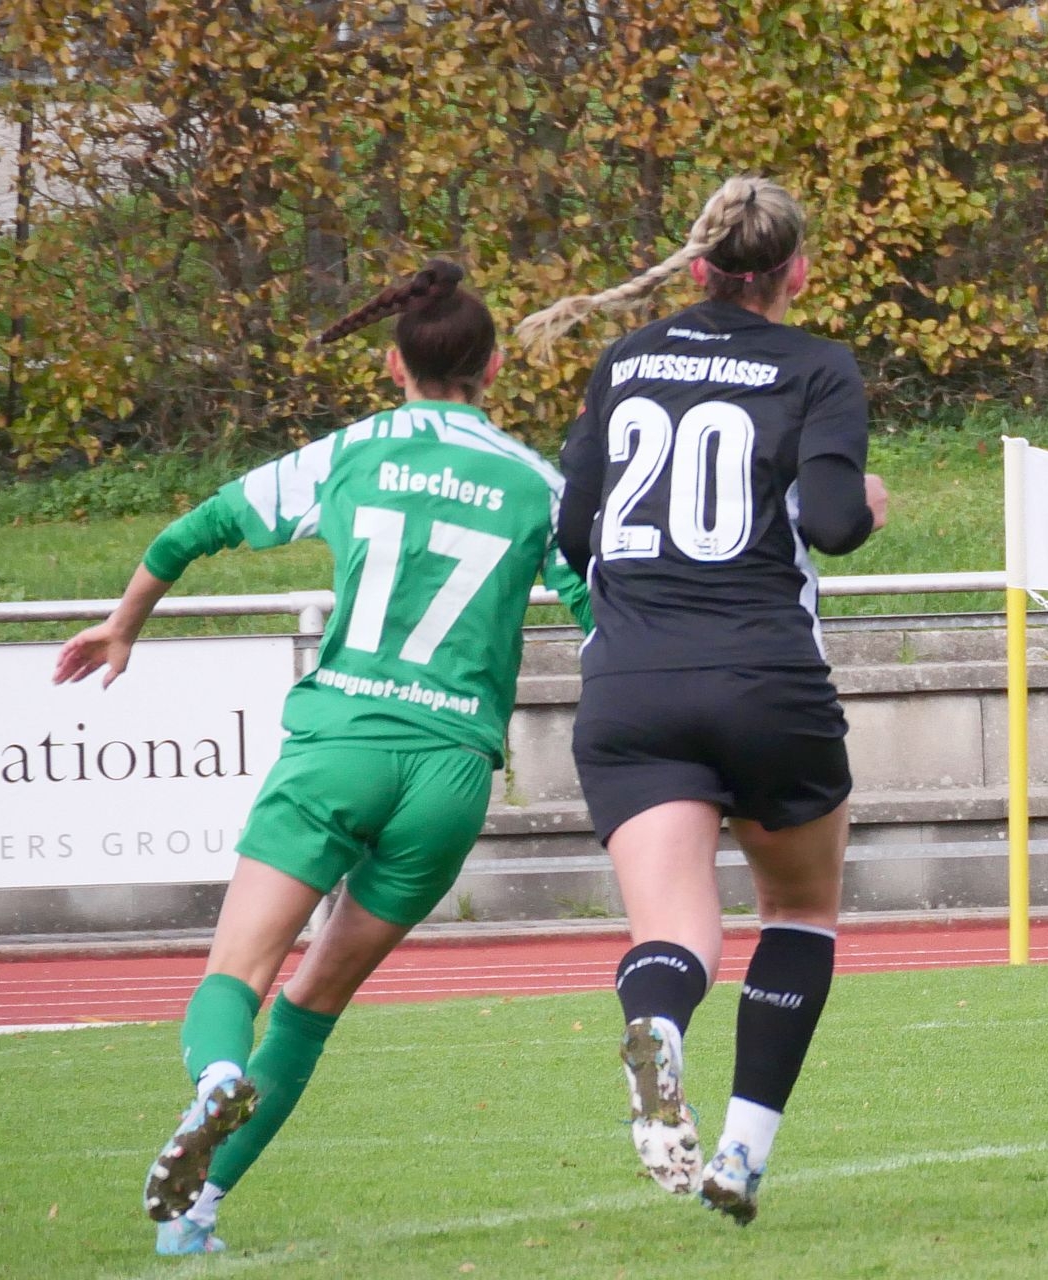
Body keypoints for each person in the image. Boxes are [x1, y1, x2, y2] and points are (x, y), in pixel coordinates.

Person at [52, 261, 591, 1255]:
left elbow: (194, 530)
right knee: (314, 1004)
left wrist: (124, 624)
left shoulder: (350, 452)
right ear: (494, 368)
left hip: (339, 745)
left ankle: (219, 1076)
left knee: (238, 973)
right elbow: (604, 613)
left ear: (392, 364)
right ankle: (195, 1217)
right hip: (449, 773)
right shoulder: (539, 483)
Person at [515, 176, 886, 1225]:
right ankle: (740, 1155)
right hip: (765, 675)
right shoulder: (817, 364)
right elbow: (834, 523)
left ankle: (661, 1028)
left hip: (632, 683)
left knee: (674, 929)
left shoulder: (626, 359)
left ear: (696, 268)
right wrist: (866, 500)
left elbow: (576, 532)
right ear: (795, 272)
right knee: (798, 912)